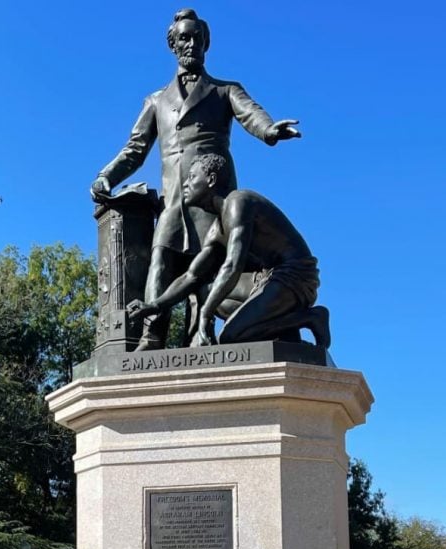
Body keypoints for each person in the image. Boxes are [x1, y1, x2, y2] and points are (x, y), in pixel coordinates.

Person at [91, 8, 301, 350]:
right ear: (173, 45)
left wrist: (269, 130)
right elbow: (135, 148)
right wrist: (106, 176)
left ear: (206, 43)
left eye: (198, 38)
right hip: (176, 198)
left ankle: (199, 336)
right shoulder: (157, 100)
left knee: (207, 271)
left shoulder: (223, 90)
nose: (192, 44)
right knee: (161, 261)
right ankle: (151, 337)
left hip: (211, 194)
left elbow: (251, 114)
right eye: (185, 38)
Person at [126, 153, 330, 347]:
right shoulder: (217, 227)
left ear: (211, 179)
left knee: (231, 336)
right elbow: (192, 276)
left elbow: (233, 265)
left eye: (192, 177)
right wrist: (155, 305)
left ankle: (310, 318)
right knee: (206, 290)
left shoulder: (238, 203)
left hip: (295, 277)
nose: (185, 184)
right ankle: (280, 330)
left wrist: (205, 313)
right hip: (264, 279)